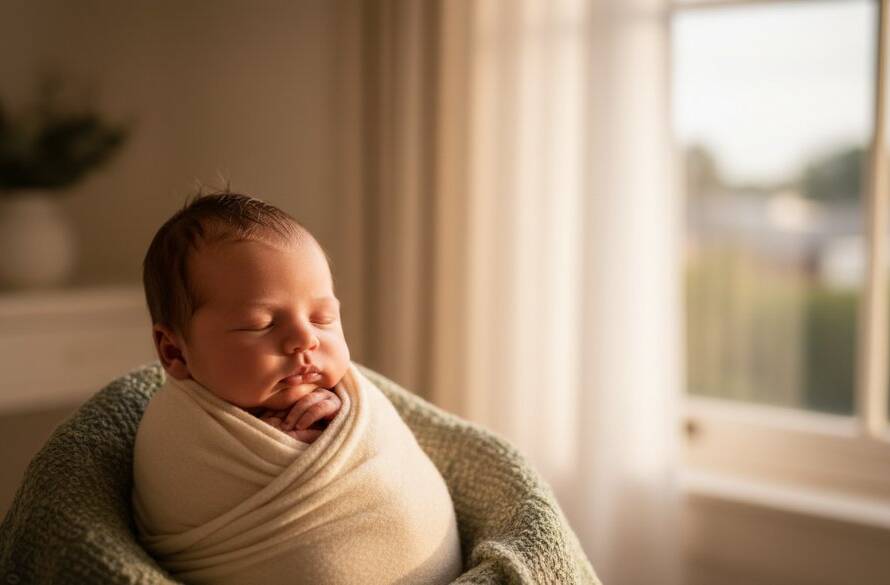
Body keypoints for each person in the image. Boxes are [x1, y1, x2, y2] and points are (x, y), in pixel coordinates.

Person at [133, 191, 462, 585]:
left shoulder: (348, 396)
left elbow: (385, 459)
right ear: (175, 352)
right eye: (261, 324)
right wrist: (289, 453)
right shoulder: (176, 428)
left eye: (323, 318)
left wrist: (333, 430)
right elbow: (178, 497)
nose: (304, 340)